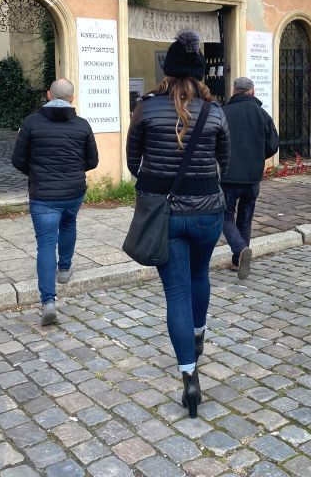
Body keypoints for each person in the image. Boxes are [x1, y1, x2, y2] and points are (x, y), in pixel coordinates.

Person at [126, 30, 229, 419]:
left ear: (166, 70)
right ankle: (199, 334)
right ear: (201, 74)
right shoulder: (215, 110)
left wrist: (154, 183)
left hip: (166, 214)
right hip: (207, 213)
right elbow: (227, 163)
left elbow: (131, 160)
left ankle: (189, 376)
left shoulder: (148, 108)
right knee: (201, 276)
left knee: (176, 293)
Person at [11, 78, 99, 327]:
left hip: (43, 194)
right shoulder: (82, 125)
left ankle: (49, 301)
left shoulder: (31, 123)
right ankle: (65, 269)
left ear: (49, 95)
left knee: (46, 244)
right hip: (73, 191)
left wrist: (37, 172)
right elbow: (92, 161)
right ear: (72, 98)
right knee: (69, 225)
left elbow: (18, 160)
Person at [221, 76, 279, 279]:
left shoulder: (224, 113)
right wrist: (256, 156)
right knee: (245, 219)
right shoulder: (262, 115)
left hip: (228, 177)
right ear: (253, 92)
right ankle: (239, 261)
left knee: (224, 216)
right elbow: (273, 145)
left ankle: (239, 249)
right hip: (253, 178)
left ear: (234, 91)